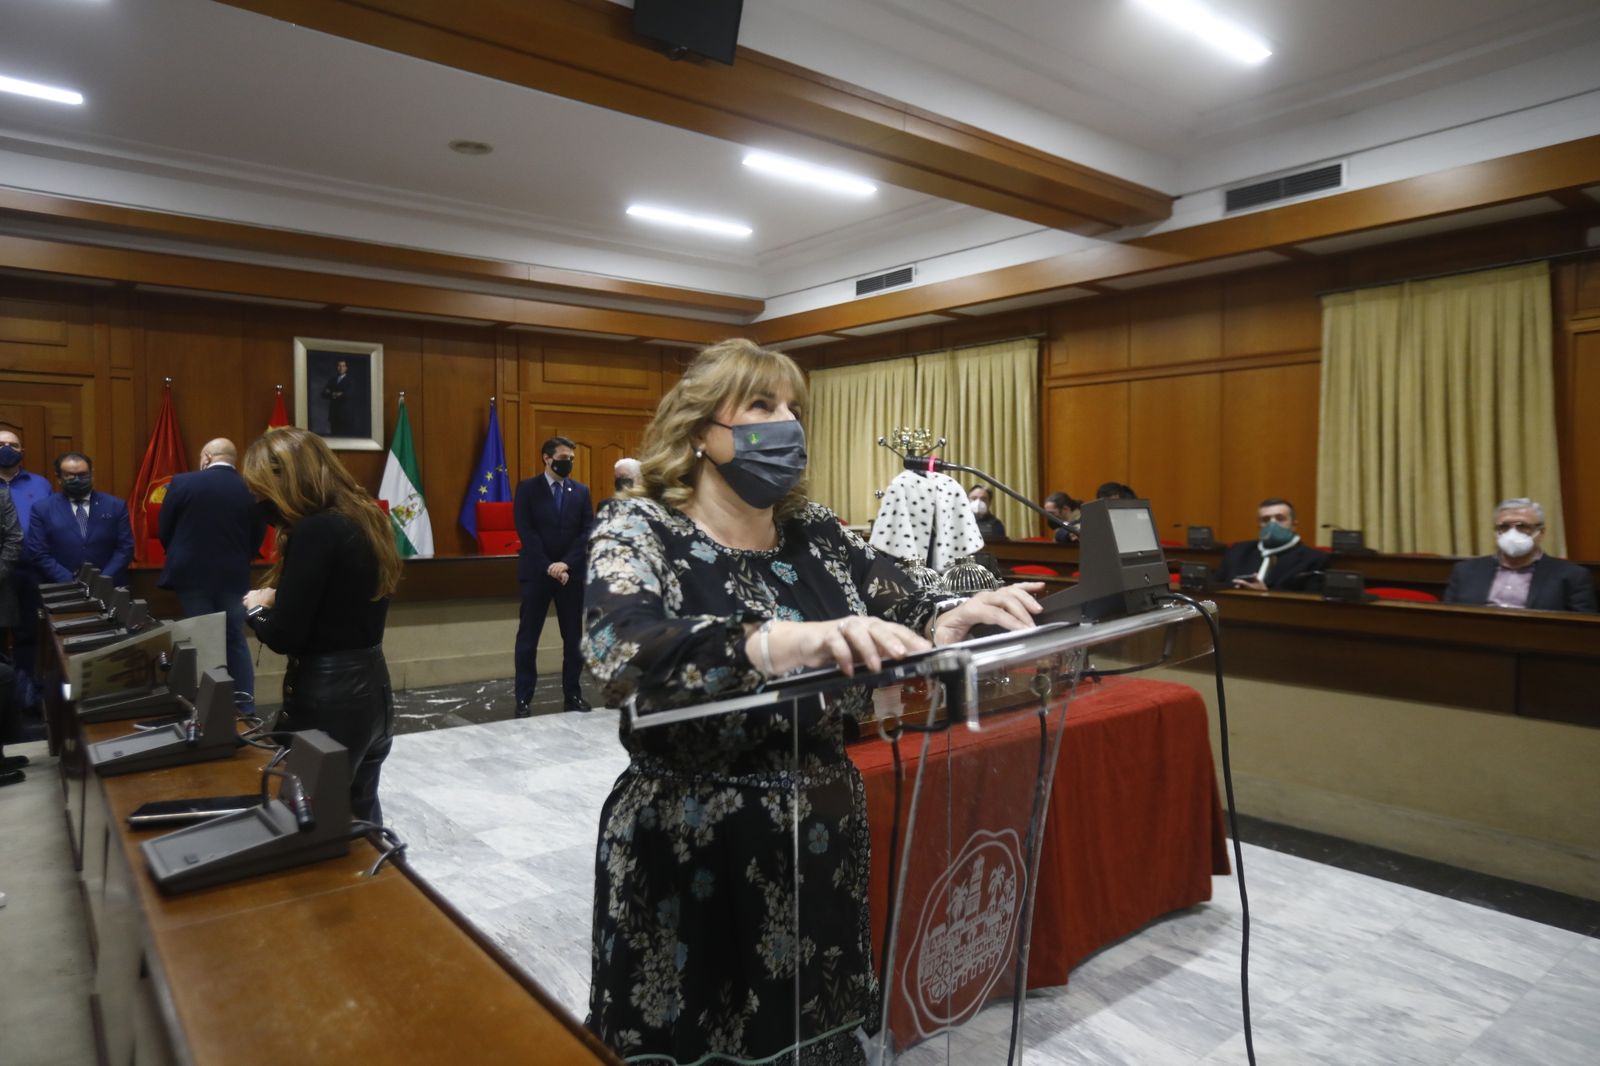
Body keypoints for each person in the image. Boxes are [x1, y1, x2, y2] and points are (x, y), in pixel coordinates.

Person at [581, 338, 1043, 1065]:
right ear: (701, 430)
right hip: (690, 835)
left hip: (818, 829)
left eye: (794, 408)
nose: (786, 423)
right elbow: (617, 655)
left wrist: (951, 615)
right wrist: (782, 642)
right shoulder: (641, 526)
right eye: (762, 405)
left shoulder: (816, 532)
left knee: (809, 1034)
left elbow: (906, 598)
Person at [240, 427, 400, 824]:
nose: (259, 501)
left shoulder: (313, 531)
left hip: (328, 699)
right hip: (372, 692)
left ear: (286, 480)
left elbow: (283, 636)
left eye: (262, 489)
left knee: (307, 825)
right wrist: (283, 594)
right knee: (360, 819)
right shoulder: (365, 517)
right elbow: (344, 593)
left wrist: (255, 608)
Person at [159, 438, 268, 714]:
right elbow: (258, 535)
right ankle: (245, 707)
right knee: (235, 638)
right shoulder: (251, 488)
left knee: (201, 639)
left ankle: (207, 709)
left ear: (206, 456)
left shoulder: (183, 482)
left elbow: (165, 529)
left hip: (191, 575)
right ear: (234, 459)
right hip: (234, 576)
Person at [513, 436, 594, 716]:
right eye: (563, 458)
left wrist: (565, 564)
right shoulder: (527, 489)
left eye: (571, 458)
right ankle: (523, 697)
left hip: (570, 575)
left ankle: (573, 694)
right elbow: (526, 530)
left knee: (573, 637)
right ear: (547, 458)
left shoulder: (581, 491)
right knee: (528, 637)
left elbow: (586, 532)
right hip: (537, 571)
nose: (568, 462)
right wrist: (549, 565)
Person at [1442, 498, 1596, 613]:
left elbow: (1582, 629)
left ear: (1541, 532)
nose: (1512, 533)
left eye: (1522, 526)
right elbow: (1447, 619)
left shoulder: (1571, 575)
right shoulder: (1465, 571)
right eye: (1504, 526)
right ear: (1496, 532)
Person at [24, 452, 134, 586]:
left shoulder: (115, 505)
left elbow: (125, 548)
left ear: (91, 475)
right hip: (60, 587)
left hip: (108, 586)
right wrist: (70, 581)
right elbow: (38, 552)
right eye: (70, 475)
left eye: (82, 475)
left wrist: (103, 579)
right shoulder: (42, 509)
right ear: (59, 478)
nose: (77, 479)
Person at [1218, 498, 1329, 591]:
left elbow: (1310, 605)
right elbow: (1217, 587)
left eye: (1280, 518)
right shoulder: (1237, 551)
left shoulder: (1314, 559)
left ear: (1294, 525)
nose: (1272, 524)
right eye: (1266, 520)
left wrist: (1265, 594)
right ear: (1259, 525)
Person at [322, 359, 358, 436]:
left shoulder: (350, 380)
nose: (341, 368)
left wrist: (332, 393)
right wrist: (336, 394)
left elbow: (348, 394)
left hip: (345, 414)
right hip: (334, 414)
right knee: (335, 436)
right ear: (337, 367)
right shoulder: (332, 380)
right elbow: (323, 394)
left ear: (346, 368)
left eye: (343, 366)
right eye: (339, 366)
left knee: (345, 437)